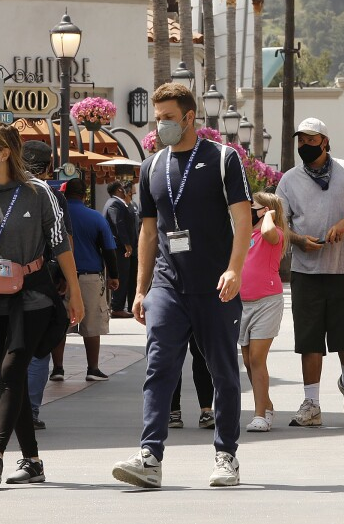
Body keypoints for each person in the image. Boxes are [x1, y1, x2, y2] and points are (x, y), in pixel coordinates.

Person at [112, 83, 252, 489]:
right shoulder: (151, 166)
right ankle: (149, 456)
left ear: (190, 117)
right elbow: (148, 232)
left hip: (215, 286)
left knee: (224, 372)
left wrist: (234, 269)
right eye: (158, 118)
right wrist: (141, 290)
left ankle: (226, 455)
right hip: (168, 286)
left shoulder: (224, 158)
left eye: (169, 118)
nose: (161, 126)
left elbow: (242, 220)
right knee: (159, 369)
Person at [0, 122, 84, 485]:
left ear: (5, 152)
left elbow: (61, 244)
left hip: (35, 295)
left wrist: (74, 291)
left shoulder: (38, 192)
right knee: (14, 378)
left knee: (10, 372)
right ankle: (33, 461)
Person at [275, 117, 344, 428]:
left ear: (325, 142)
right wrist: (298, 240)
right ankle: (311, 402)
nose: (304, 146)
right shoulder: (288, 180)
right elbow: (280, 224)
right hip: (306, 272)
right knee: (309, 340)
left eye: (311, 140)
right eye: (300, 140)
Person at [59, 177, 121, 381]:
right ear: (84, 195)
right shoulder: (95, 217)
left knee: (59, 324)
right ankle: (92, 369)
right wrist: (114, 276)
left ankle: (57, 369)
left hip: (60, 278)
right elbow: (109, 249)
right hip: (89, 278)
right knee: (92, 324)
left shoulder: (58, 215)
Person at [241, 192, 286, 431]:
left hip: (267, 302)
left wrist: (270, 214)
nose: (248, 208)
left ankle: (260, 415)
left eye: (254, 206)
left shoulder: (273, 233)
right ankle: (266, 404)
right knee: (248, 360)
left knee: (257, 358)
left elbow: (269, 231)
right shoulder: (244, 234)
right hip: (242, 303)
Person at [105, 181, 139, 317]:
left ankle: (129, 306)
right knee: (122, 276)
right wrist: (127, 244)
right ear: (120, 190)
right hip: (119, 248)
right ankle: (117, 307)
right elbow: (118, 224)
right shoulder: (114, 204)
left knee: (128, 276)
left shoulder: (124, 204)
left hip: (124, 248)